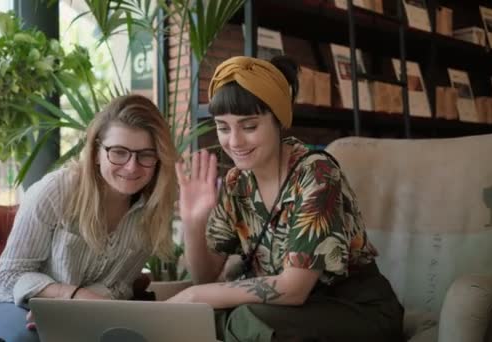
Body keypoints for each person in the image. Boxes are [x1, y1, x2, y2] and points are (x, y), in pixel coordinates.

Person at [169, 56, 405, 342]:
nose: (234, 142)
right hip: (292, 312)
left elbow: (294, 289)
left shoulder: (317, 172)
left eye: (249, 126)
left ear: (278, 119)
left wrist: (195, 296)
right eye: (223, 127)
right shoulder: (236, 183)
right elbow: (205, 279)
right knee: (214, 317)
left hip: (356, 310)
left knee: (244, 318)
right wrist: (194, 222)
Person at [0, 94, 177, 342]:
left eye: (145, 155)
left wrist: (73, 308)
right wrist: (68, 297)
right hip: (13, 304)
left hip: (87, 310)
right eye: (119, 152)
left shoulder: (153, 209)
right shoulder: (57, 190)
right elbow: (12, 274)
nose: (132, 167)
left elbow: (121, 286)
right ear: (96, 151)